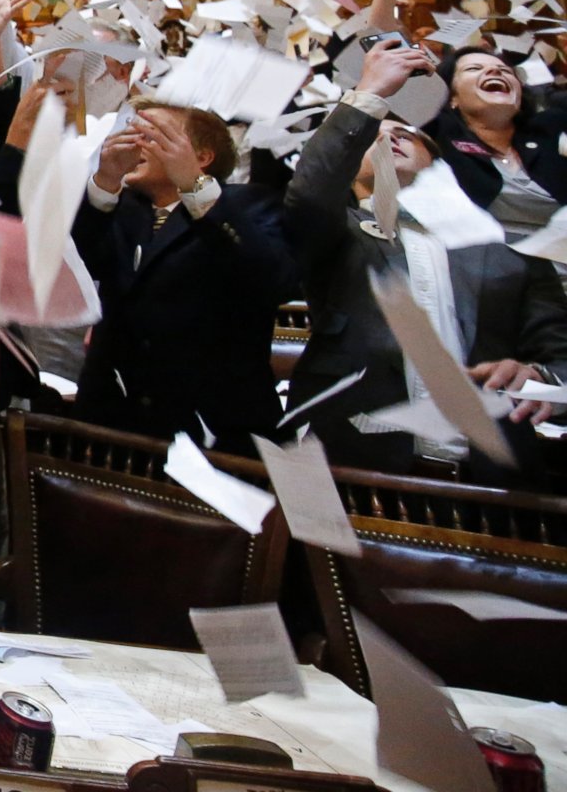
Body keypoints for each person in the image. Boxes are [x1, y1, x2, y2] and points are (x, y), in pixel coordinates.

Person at [282, 42, 566, 482]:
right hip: (350, 466)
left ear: (435, 159)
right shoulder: (336, 234)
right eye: (373, 135)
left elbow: (560, 359)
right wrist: (369, 93)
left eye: (404, 133)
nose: (388, 135)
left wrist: (538, 375)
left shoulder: (512, 256)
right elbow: (310, 190)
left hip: (494, 481)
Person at [74, 102, 296, 444]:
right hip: (112, 421)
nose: (136, 143)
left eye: (154, 135)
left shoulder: (249, 204)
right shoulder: (118, 207)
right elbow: (77, 263)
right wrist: (105, 179)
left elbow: (268, 276)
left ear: (202, 156)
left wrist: (194, 185)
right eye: (132, 131)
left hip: (212, 425)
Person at [433, 44, 567, 246]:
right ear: (452, 97)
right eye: (473, 69)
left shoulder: (551, 127)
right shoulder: (437, 135)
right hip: (494, 269)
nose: (494, 71)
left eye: (505, 71)